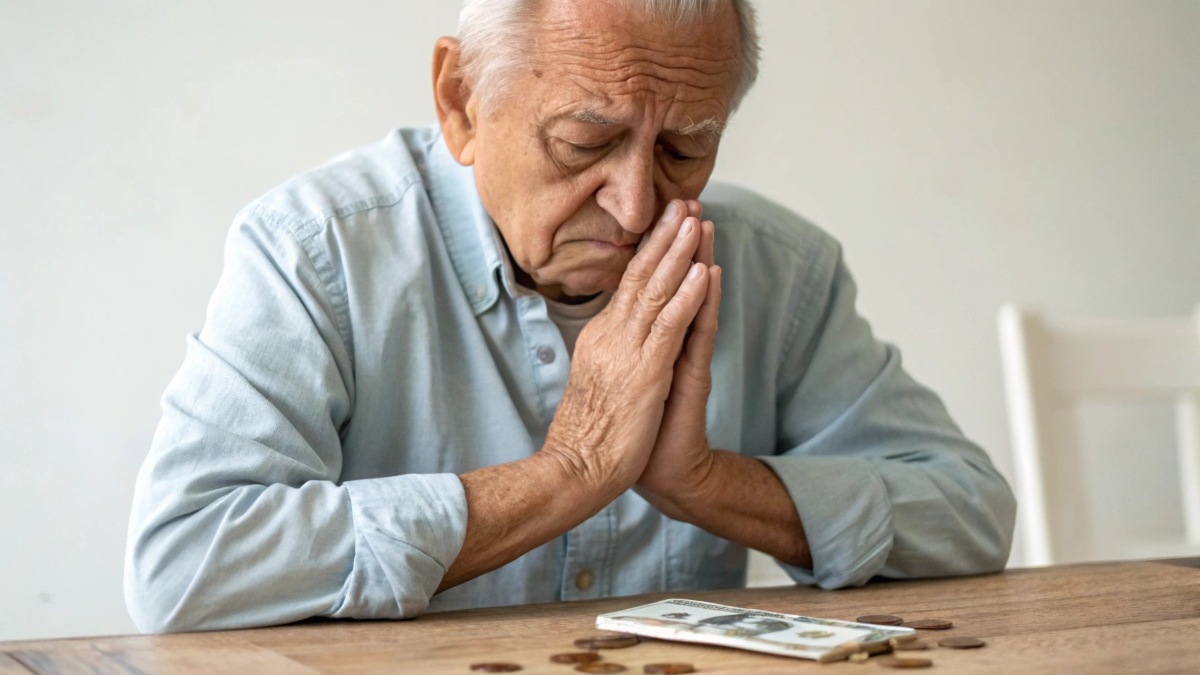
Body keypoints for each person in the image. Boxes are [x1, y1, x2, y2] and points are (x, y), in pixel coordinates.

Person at [125, 0, 1015, 633]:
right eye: (583, 143)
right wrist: (573, 470)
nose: (634, 207)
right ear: (460, 101)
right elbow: (186, 562)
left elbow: (972, 513)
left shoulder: (779, 269)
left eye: (683, 148)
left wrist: (710, 484)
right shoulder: (316, 250)